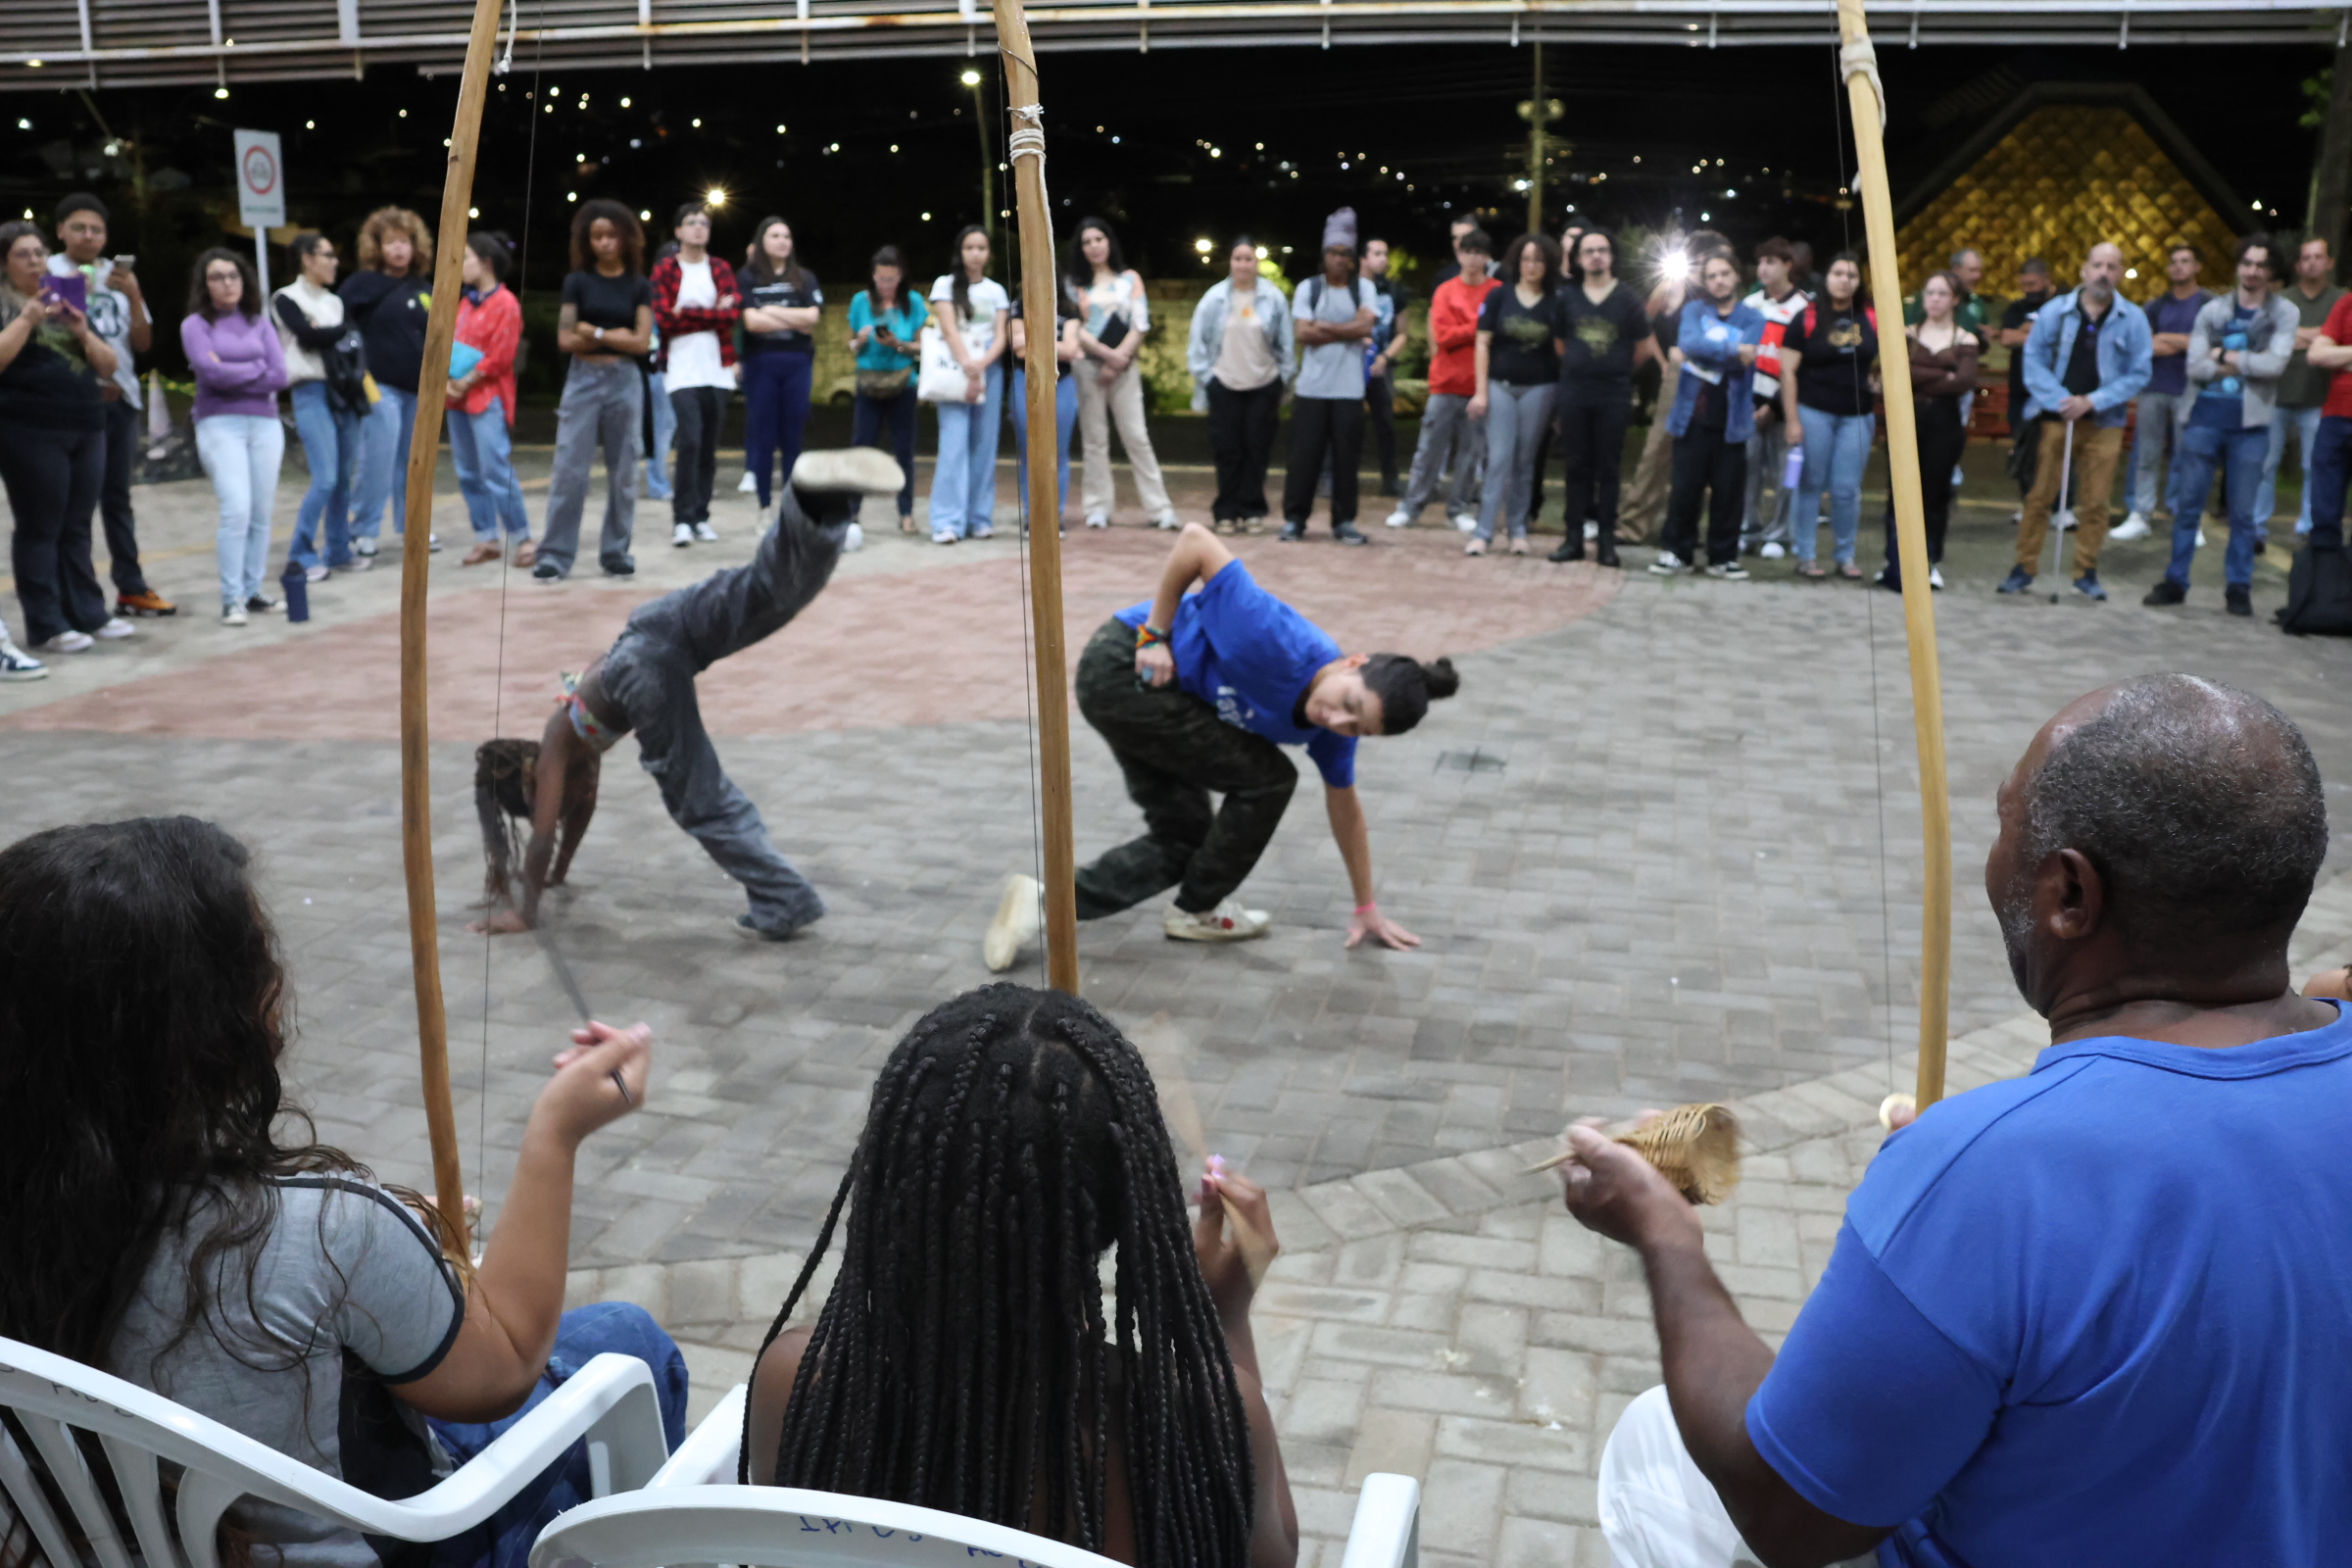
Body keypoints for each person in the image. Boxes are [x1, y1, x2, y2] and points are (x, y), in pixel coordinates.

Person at [1565, 673, 2352, 1568]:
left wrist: (1665, 1239)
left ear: (2069, 895)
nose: (1994, 854)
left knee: (1656, 1444)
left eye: (2005, 823)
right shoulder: (2001, 1166)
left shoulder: (1998, 1174)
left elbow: (1790, 1517)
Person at [0, 814, 686, 1568]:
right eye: (260, 957)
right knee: (627, 1336)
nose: (279, 981)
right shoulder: (323, 1232)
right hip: (393, 1545)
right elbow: (506, 1371)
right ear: (211, 1025)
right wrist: (555, 1134)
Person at [744, 983, 1298, 1568]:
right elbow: (1275, 1558)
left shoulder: (799, 1385)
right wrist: (1226, 1322)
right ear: (1123, 1209)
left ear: (887, 1178)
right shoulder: (1204, 1419)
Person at [472, 449, 903, 942]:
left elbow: (545, 835)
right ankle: (818, 504)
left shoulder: (554, 752)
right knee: (764, 595)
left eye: (550, 801)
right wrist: (556, 876)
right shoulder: (576, 757)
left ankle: (784, 898)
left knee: (699, 800)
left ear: (531, 782)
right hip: (656, 625)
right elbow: (573, 825)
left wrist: (526, 913)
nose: (576, 799)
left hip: (643, 668)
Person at [984, 520, 1455, 965]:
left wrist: (1365, 905)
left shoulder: (1331, 732)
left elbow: (1346, 809)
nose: (1335, 720)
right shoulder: (1274, 637)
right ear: (1352, 662)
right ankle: (1198, 908)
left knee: (1185, 836)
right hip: (1124, 666)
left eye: (1356, 729)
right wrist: (1154, 635)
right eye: (1347, 703)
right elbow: (1195, 541)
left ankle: (1045, 902)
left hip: (1156, 699)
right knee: (1270, 779)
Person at [2142, 235, 2297, 616]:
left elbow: (2275, 365)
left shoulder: (2284, 312)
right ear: (2238, 266)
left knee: (2243, 514)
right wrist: (2247, 362)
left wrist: (2225, 355)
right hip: (2202, 420)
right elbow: (2195, 366)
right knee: (2187, 507)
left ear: (2271, 271)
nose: (2252, 271)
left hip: (2250, 424)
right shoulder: (2213, 309)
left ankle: (2238, 588)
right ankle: (2176, 581)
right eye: (2247, 263)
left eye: (2261, 265)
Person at [0, 220, 126, 657]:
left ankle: (88, 612)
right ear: (5, 264)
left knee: (77, 524)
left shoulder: (65, 301)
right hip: (29, 428)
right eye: (22, 254)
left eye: (39, 253)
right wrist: (28, 317)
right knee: (41, 525)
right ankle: (46, 623)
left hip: (86, 423)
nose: (35, 261)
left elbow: (108, 365)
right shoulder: (8, 306)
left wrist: (81, 329)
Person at [2001, 241, 2152, 601]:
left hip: (2105, 421)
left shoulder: (2133, 318)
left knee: (2096, 502)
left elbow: (2139, 372)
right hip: (2056, 417)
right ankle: (2024, 567)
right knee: (2039, 496)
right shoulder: (2055, 311)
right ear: (2084, 270)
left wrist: (2092, 401)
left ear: (2121, 273)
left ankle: (2086, 572)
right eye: (2097, 265)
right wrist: (2061, 400)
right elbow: (2033, 359)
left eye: (2111, 266)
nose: (2103, 273)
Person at [49, 192, 172, 617]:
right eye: (78, 228)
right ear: (60, 230)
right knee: (73, 507)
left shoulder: (119, 279)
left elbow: (143, 343)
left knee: (117, 499)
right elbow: (50, 338)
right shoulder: (49, 271)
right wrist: (72, 295)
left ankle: (131, 588)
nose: (88, 236)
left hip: (122, 401)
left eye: (96, 229)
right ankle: (75, 600)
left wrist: (134, 296)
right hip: (71, 405)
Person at [536, 200, 651, 582]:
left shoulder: (639, 285)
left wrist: (595, 331)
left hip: (625, 379)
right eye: (597, 236)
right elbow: (566, 339)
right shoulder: (577, 281)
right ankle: (554, 554)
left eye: (611, 235)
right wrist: (618, 336)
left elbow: (642, 342)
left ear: (625, 238)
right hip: (583, 378)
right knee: (570, 468)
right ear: (587, 240)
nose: (604, 242)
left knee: (624, 470)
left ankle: (616, 552)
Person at [183, 247, 288, 627]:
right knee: (236, 508)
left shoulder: (260, 322)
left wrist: (231, 370)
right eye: (217, 277)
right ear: (205, 285)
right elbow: (209, 374)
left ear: (244, 282)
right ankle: (232, 599)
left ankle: (253, 589)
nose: (226, 283)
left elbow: (281, 375)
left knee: (261, 511)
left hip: (265, 424)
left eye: (232, 276)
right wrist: (256, 367)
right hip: (219, 423)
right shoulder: (195, 325)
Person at [1652, 252, 1763, 579]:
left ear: (1736, 275)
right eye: (1712, 275)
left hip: (1733, 418)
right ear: (1704, 281)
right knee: (1684, 489)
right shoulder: (1694, 311)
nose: (1719, 281)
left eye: (1724, 273)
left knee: (1729, 493)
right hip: (1692, 415)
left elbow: (1744, 356)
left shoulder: (1753, 317)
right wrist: (1732, 349)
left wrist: (1702, 351)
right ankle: (1677, 553)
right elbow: (1689, 342)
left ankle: (1723, 557)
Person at [1549, 227, 1653, 567]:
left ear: (1612, 256)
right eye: (1589, 251)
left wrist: (1616, 369)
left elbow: (1643, 348)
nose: (1596, 256)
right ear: (1578, 259)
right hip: (1575, 391)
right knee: (1576, 465)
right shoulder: (1567, 298)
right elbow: (1560, 344)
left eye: (1602, 250)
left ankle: (1606, 540)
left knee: (1608, 468)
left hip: (1614, 393)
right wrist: (1580, 366)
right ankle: (1573, 538)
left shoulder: (1628, 299)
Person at [1069, 218, 1178, 530]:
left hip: (1125, 369)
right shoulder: (1074, 285)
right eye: (1087, 241)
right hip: (1088, 367)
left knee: (1137, 436)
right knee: (1094, 440)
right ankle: (1097, 507)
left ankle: (1160, 509)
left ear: (1109, 242)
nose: (1094, 246)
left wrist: (1119, 359)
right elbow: (1075, 328)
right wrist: (1105, 355)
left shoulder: (1130, 279)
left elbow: (1140, 323)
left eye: (1099, 239)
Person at [341, 206, 436, 559]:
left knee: (415, 461)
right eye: (391, 242)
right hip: (378, 385)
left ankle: (414, 527)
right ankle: (363, 529)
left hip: (418, 388)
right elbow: (341, 328)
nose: (399, 249)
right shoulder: (360, 285)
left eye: (405, 242)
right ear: (377, 247)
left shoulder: (425, 289)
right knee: (378, 459)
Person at [1777, 251, 1879, 581]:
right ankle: (1806, 555)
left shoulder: (1872, 318)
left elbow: (1886, 360)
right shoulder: (1806, 318)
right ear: (1826, 277)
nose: (1844, 280)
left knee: (1846, 490)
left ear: (1859, 282)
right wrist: (1792, 420)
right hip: (1813, 412)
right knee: (1810, 485)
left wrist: (1878, 382)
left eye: (1851, 275)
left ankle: (1845, 556)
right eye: (1837, 273)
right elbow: (1787, 372)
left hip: (1857, 415)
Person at [1387, 229, 1495, 531]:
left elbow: (1495, 333)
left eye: (1479, 253)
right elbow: (1444, 336)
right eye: (1467, 252)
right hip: (1445, 382)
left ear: (1488, 258)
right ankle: (1411, 506)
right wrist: (1479, 326)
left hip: (1479, 386)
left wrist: (1467, 328)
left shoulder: (1497, 291)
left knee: (1471, 454)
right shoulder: (1445, 291)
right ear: (1459, 254)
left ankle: (1458, 509)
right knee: (1429, 450)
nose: (1472, 258)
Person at [1281, 209, 1379, 546]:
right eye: (1334, 252)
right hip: (1312, 388)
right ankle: (1295, 519)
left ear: (1352, 258)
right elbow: (1302, 333)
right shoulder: (1308, 288)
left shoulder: (1364, 289)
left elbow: (1366, 327)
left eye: (1345, 253)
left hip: (1349, 389)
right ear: (1324, 255)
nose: (1339, 259)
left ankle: (1344, 519)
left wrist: (1324, 326)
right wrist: (1347, 330)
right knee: (1303, 458)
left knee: (1346, 460)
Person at [1876, 270, 1978, 594]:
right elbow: (1893, 372)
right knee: (1898, 491)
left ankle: (1929, 561)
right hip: (1907, 417)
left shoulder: (1965, 339)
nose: (1934, 299)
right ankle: (1894, 561)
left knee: (1934, 493)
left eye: (1942, 293)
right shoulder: (1906, 334)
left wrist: (1917, 375)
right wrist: (1942, 375)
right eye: (1930, 293)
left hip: (1945, 422)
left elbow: (1964, 382)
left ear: (1955, 300)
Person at [1464, 232, 1564, 558]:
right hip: (1500, 386)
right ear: (1517, 262)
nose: (1531, 266)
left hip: (1540, 388)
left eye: (1538, 260)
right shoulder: (1499, 296)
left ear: (1548, 265)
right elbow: (1482, 343)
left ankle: (1518, 528)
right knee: (1499, 458)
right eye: (1526, 259)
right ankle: (1483, 531)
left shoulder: (1556, 302)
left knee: (1525, 459)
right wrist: (1481, 392)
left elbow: (1561, 351)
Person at [438, 232, 532, 570]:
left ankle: (523, 537)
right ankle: (486, 537)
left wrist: (465, 381)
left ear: (486, 262)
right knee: (467, 471)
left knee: (495, 467)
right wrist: (448, 382)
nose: (461, 265)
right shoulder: (464, 304)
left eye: (466, 258)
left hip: (486, 396)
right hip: (457, 398)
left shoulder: (506, 303)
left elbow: (501, 356)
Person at [272, 232, 363, 584]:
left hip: (344, 390)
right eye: (327, 255)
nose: (334, 262)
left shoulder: (333, 302)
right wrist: (332, 332)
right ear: (307, 259)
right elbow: (308, 336)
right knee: (324, 477)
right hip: (309, 390)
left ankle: (339, 549)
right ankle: (300, 553)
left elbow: (335, 335)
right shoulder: (285, 298)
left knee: (343, 477)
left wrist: (325, 332)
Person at [1189, 237, 1294, 535]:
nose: (1243, 265)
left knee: (1257, 449)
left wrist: (1283, 377)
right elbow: (1197, 343)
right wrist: (1207, 378)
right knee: (1227, 450)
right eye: (1238, 259)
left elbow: (1286, 343)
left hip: (1263, 383)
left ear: (1256, 263)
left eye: (1249, 259)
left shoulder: (1273, 298)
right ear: (1230, 262)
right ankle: (1226, 510)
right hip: (1224, 383)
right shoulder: (1214, 299)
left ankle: (1252, 510)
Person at [651, 203, 741, 549]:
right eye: (691, 223)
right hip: (680, 368)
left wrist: (687, 313)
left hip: (717, 368)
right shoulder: (665, 269)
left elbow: (732, 315)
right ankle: (682, 520)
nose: (699, 228)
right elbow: (664, 319)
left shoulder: (720, 267)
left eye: (704, 223)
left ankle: (701, 517)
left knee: (708, 447)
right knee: (689, 440)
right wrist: (710, 313)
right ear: (678, 231)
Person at [2116, 243, 2210, 541]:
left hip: (2190, 390)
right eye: (2173, 262)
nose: (2178, 266)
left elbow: (2208, 345)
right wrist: (2186, 342)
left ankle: (2186, 519)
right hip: (2154, 388)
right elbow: (2143, 345)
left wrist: (2167, 338)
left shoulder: (2209, 304)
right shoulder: (2155, 306)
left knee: (2188, 456)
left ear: (2197, 266)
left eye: (2185, 261)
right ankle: (2139, 514)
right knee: (2146, 454)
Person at [927, 224, 1011, 544]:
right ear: (960, 252)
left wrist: (982, 364)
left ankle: (979, 518)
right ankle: (947, 521)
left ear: (989, 254)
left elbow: (1001, 336)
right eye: (969, 248)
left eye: (981, 248)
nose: (975, 254)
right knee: (953, 446)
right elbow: (948, 329)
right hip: (955, 369)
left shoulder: (996, 291)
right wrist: (968, 365)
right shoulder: (944, 285)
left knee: (984, 446)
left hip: (989, 370)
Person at [739, 216, 822, 526]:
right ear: (762, 241)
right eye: (775, 236)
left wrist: (771, 310)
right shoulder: (747, 277)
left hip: (797, 362)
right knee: (764, 437)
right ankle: (764, 507)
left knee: (793, 438)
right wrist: (793, 318)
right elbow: (752, 322)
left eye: (786, 236)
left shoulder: (804, 277)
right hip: (761, 363)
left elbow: (812, 319)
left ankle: (791, 510)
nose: (782, 241)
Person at [2259, 233, 2342, 540]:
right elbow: (2268, 338)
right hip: (2275, 395)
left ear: (2330, 262)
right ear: (2297, 265)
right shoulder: (2281, 299)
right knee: (2265, 464)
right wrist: (2321, 337)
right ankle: (2257, 523)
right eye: (2306, 257)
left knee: (2314, 466)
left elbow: (2341, 341)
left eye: (2318, 257)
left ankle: (2307, 524)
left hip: (2320, 397)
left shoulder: (2341, 300)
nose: (2311, 263)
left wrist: (2296, 335)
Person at [846, 244, 927, 532]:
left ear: (901, 276)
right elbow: (850, 344)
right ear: (873, 276)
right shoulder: (860, 301)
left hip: (902, 383)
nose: (886, 285)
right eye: (881, 279)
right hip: (869, 383)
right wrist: (860, 340)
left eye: (891, 279)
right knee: (861, 447)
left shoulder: (913, 301)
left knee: (904, 450)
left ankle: (906, 513)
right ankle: (851, 512)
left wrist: (898, 344)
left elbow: (922, 346)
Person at [1738, 237, 1809, 560]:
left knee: (1786, 472)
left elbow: (1802, 365)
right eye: (1760, 262)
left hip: (1786, 405)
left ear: (1787, 266)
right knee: (1748, 469)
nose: (1763, 269)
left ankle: (1781, 533)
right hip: (1749, 403)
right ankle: (1748, 528)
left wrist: (1775, 406)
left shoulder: (1803, 307)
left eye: (1771, 262)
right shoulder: (1750, 304)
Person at [1007, 281, 1083, 526]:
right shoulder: (1019, 307)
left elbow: (1071, 350)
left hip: (1063, 382)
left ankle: (1055, 515)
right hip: (1026, 379)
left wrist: (1031, 340)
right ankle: (1032, 515)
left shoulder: (1068, 309)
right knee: (1029, 450)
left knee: (1059, 451)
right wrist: (1056, 345)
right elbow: (1019, 350)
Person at [1361, 235, 1412, 497]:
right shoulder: (1351, 288)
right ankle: (1331, 476)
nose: (1383, 259)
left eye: (1385, 254)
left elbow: (1402, 333)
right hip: (1352, 365)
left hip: (1382, 367)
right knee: (1342, 422)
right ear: (1363, 258)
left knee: (1386, 425)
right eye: (1377, 253)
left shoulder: (1394, 291)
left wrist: (1385, 358)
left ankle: (1390, 478)